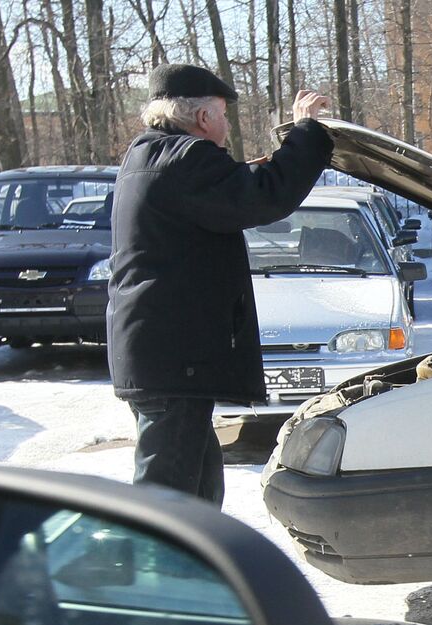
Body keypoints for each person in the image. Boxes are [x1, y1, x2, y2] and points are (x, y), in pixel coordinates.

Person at [107, 63, 334, 507]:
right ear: (204, 118)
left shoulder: (148, 156)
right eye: (224, 115)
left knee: (198, 493)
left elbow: (235, 187)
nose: (227, 126)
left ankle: (198, 568)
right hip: (174, 362)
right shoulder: (186, 159)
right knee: (167, 501)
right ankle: (160, 575)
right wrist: (307, 132)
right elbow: (263, 196)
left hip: (162, 358)